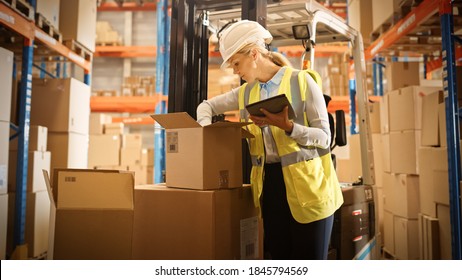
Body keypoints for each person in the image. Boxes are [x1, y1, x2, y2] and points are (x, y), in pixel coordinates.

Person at [196, 20, 343, 260]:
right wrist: (205, 132)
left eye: (236, 63)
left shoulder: (301, 81)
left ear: (254, 54)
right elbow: (206, 106)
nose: (235, 71)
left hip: (310, 190)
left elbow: (324, 138)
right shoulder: (247, 92)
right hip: (270, 190)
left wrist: (289, 127)